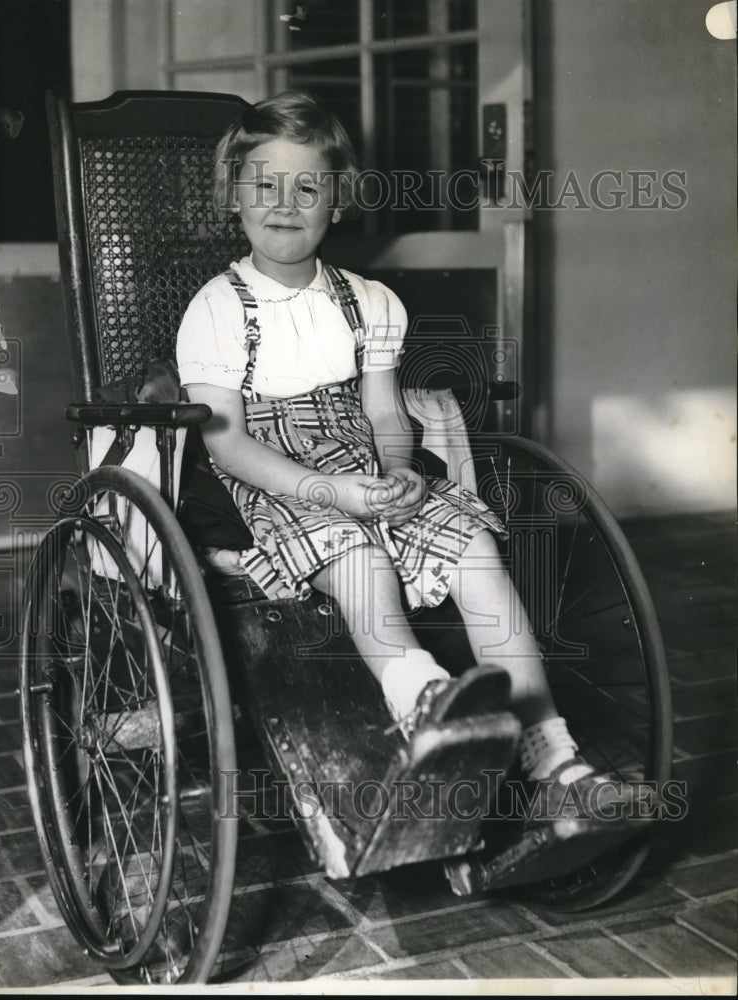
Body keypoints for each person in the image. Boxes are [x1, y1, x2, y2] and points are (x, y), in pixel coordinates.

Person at [176, 91, 636, 810]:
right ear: (233, 195)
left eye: (308, 187)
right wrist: (332, 494)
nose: (285, 202)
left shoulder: (369, 302)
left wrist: (394, 469)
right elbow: (227, 442)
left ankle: (551, 753)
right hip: (276, 479)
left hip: (362, 461)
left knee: (471, 543)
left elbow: (384, 411)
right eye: (264, 184)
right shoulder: (218, 307)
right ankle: (419, 699)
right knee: (355, 556)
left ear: (338, 201)